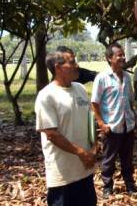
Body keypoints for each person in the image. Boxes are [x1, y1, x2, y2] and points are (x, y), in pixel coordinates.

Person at [35, 50, 96, 206]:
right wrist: (80, 153)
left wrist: (94, 146)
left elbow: (89, 119)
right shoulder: (47, 96)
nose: (77, 65)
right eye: (72, 62)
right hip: (63, 175)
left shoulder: (80, 89)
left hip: (85, 169)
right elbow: (51, 134)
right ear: (58, 67)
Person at [91, 43, 137, 198]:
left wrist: (132, 116)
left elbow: (130, 100)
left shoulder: (127, 77)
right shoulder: (102, 78)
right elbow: (95, 103)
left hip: (127, 125)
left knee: (127, 159)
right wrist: (101, 124)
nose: (123, 57)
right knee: (109, 160)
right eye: (119, 55)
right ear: (109, 58)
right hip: (111, 127)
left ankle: (130, 185)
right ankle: (107, 186)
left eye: (123, 54)